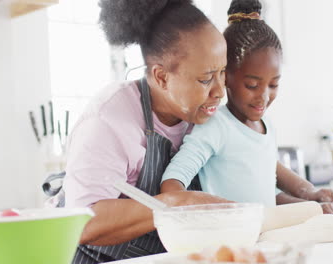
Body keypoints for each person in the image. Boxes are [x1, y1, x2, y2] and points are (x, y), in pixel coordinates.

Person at [56, 0, 230, 263]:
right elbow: (84, 223)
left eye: (223, 73)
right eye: (205, 79)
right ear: (161, 77)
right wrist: (174, 205)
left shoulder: (205, 116)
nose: (220, 91)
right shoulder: (109, 118)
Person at [161, 0, 333, 216]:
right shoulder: (216, 126)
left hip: (265, 237)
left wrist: (314, 199)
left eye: (273, 84)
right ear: (226, 77)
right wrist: (221, 210)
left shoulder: (266, 126)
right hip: (231, 240)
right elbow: (171, 184)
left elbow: (268, 197)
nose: (264, 97)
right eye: (251, 85)